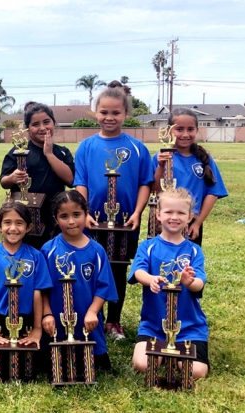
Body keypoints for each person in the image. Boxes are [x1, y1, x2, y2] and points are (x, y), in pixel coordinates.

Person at [73, 81, 154, 340]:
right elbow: (81, 182)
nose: (109, 117)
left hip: (125, 222)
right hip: (93, 221)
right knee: (92, 266)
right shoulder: (86, 146)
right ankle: (89, 316)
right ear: (95, 112)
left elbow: (145, 183)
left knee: (118, 267)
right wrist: (83, 212)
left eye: (115, 113)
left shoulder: (137, 148)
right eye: (104, 112)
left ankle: (114, 321)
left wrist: (138, 212)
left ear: (125, 114)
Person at [129, 187, 209, 378]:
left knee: (195, 371)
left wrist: (189, 282)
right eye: (169, 212)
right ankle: (163, 351)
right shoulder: (148, 247)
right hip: (154, 326)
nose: (175, 217)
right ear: (158, 214)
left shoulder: (194, 251)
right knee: (142, 364)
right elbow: (138, 271)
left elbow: (199, 283)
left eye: (181, 212)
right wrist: (151, 279)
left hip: (189, 327)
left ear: (190, 217)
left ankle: (174, 351)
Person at [0, 202, 52, 380]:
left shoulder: (35, 256)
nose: (13, 228)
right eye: (7, 222)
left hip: (27, 321)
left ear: (28, 227)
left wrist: (37, 329)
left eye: (19, 223)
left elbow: (38, 293)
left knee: (29, 368)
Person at [40, 190, 118, 371]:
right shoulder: (48, 250)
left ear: (86, 214)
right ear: (56, 218)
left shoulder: (97, 251)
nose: (71, 221)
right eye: (64, 216)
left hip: (87, 321)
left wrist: (92, 312)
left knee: (96, 366)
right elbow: (42, 288)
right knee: (53, 364)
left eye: (77, 215)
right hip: (56, 322)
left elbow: (103, 287)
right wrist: (47, 314)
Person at [0, 102, 75, 249]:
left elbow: (70, 180)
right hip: (26, 215)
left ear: (54, 123)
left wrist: (49, 154)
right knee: (28, 252)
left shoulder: (62, 152)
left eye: (46, 122)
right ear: (28, 128)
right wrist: (12, 178)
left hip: (55, 214)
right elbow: (3, 181)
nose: (42, 128)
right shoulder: (19, 152)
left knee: (52, 253)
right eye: (35, 124)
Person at [152, 108, 228, 246]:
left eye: (190, 129)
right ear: (169, 131)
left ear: (197, 130)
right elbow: (155, 190)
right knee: (161, 260)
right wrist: (161, 166)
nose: (185, 134)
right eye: (179, 129)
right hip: (165, 218)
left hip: (190, 220)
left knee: (187, 261)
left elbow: (213, 192)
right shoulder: (160, 158)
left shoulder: (204, 159)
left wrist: (197, 223)